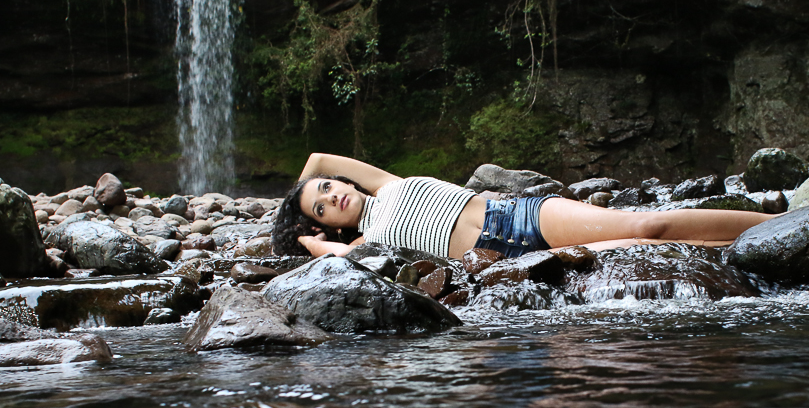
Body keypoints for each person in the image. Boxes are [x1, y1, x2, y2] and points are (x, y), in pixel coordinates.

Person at [272, 153, 773, 261]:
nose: (332, 197)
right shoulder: (363, 245)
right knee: (644, 246)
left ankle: (781, 225)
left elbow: (317, 157)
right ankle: (757, 245)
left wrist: (293, 198)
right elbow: (333, 259)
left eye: (327, 189)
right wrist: (306, 238)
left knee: (649, 222)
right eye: (322, 208)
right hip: (508, 259)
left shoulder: (385, 184)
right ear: (329, 228)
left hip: (517, 216)